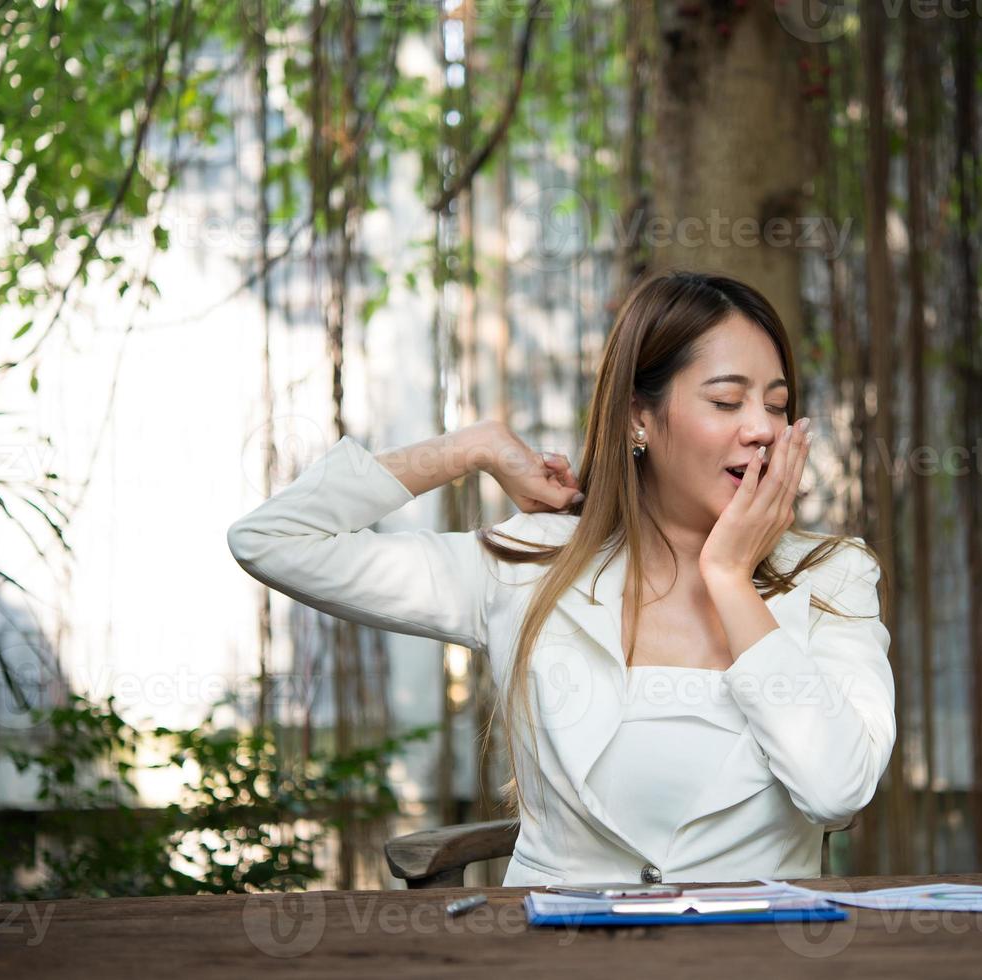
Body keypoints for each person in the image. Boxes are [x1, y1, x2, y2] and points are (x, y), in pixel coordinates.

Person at [226, 269, 896, 886]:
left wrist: (728, 576)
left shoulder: (833, 576)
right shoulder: (529, 564)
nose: (761, 429)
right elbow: (273, 541)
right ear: (638, 416)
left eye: (776, 406)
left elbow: (836, 790)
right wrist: (473, 446)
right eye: (726, 401)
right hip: (552, 954)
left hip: (752, 958)